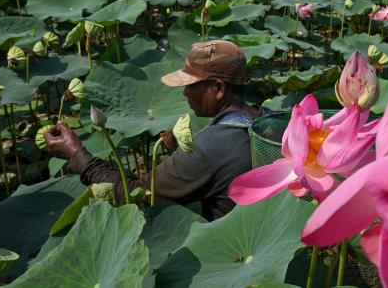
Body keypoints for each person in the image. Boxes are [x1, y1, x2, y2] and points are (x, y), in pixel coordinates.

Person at [44, 40, 266, 221]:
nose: (185, 93)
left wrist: (77, 155)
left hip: (231, 255)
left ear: (218, 88)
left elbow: (136, 195)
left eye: (191, 85)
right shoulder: (271, 118)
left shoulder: (207, 148)